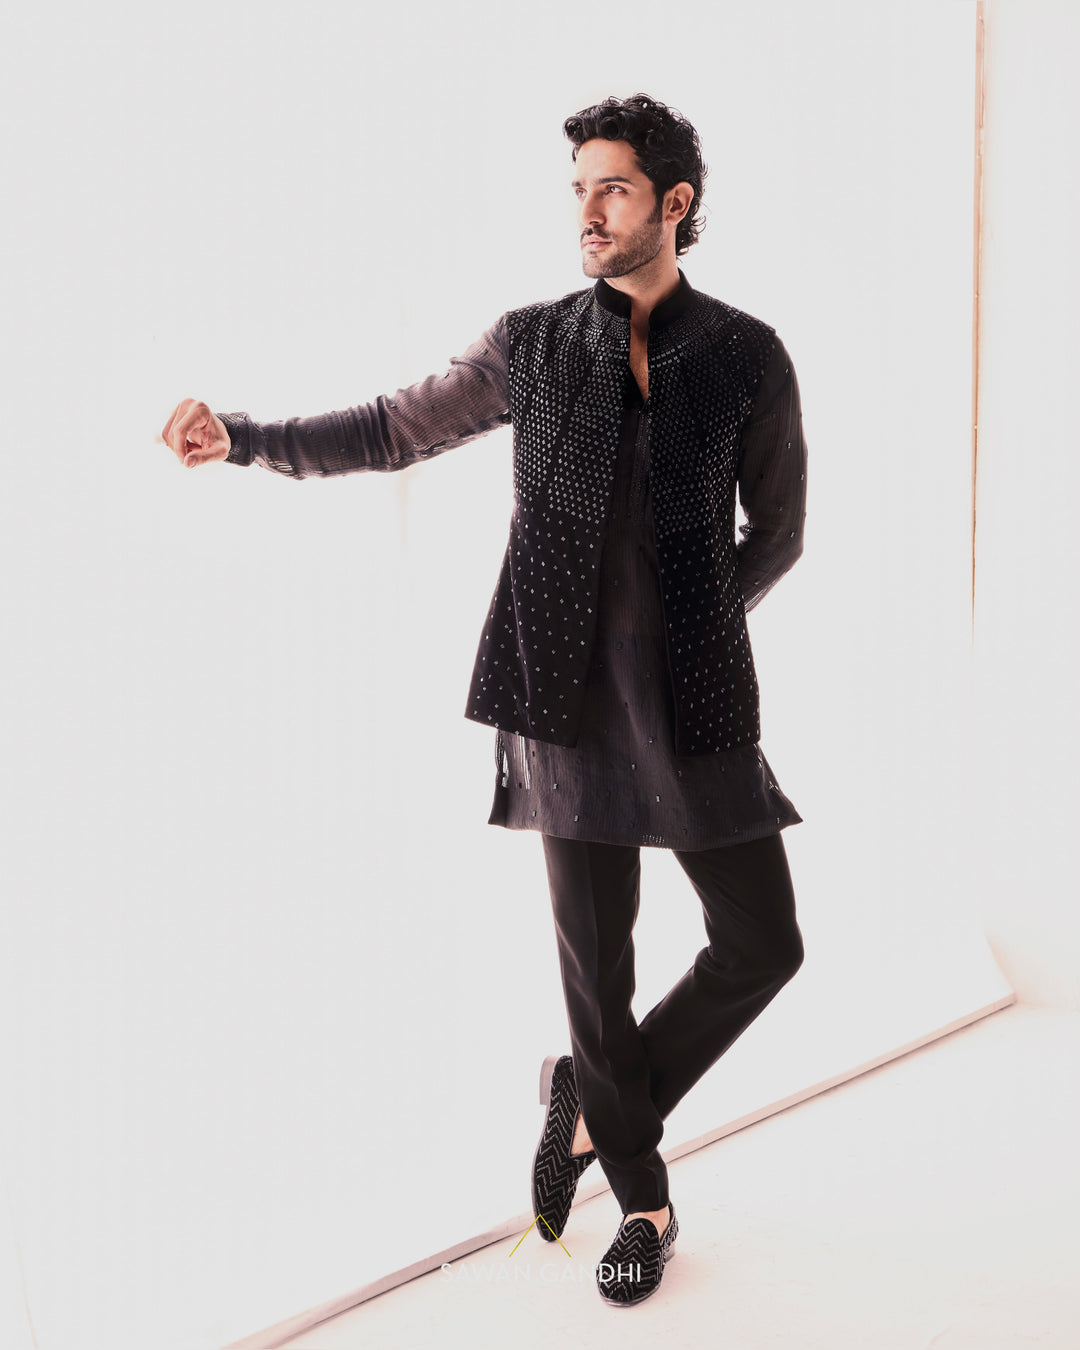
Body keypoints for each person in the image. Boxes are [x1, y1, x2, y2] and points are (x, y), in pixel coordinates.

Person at [159, 92, 807, 1308]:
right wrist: (241, 437)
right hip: (561, 694)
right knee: (598, 968)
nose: (589, 211)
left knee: (764, 943)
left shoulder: (746, 355)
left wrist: (700, 630)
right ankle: (645, 1203)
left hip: (699, 697)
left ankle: (591, 1102)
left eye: (613, 189)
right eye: (579, 189)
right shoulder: (535, 343)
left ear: (674, 203)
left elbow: (777, 530)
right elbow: (392, 430)